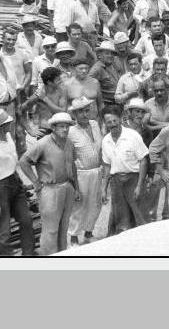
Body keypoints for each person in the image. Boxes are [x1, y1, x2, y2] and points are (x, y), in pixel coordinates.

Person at [18, 112, 80, 255]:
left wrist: (76, 188)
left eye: (67, 126)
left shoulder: (69, 143)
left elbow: (73, 166)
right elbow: (24, 161)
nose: (65, 129)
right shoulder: (43, 143)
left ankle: (62, 253)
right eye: (61, 127)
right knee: (51, 229)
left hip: (67, 186)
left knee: (64, 226)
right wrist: (35, 181)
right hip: (50, 189)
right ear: (53, 127)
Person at [0, 109, 35, 256]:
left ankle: (28, 255)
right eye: (7, 123)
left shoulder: (9, 137)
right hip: (0, 187)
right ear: (1, 126)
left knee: (26, 220)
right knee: (3, 230)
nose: (10, 124)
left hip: (14, 181)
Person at [100, 105, 150, 233]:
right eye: (108, 122)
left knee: (141, 216)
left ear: (121, 119)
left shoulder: (133, 136)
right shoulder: (106, 141)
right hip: (116, 182)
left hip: (133, 179)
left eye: (114, 120)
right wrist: (104, 188)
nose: (112, 124)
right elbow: (107, 166)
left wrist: (139, 185)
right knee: (122, 220)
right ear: (105, 123)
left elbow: (143, 160)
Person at [67, 97, 104, 246]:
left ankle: (89, 232)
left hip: (97, 170)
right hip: (81, 173)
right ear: (74, 114)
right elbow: (69, 159)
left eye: (86, 110)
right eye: (80, 112)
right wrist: (74, 184)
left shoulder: (95, 124)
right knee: (80, 206)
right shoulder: (71, 131)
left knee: (96, 203)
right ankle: (74, 236)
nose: (84, 114)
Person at [22, 66, 69, 134]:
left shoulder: (62, 90)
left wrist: (45, 99)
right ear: (49, 82)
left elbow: (63, 111)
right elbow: (21, 109)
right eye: (58, 79)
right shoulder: (38, 94)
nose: (61, 81)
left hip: (61, 127)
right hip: (45, 129)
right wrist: (29, 130)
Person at [0, 28, 33, 103]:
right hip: (4, 92)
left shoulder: (23, 54)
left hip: (20, 91)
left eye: (14, 40)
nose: (11, 42)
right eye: (8, 39)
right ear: (3, 39)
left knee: (21, 112)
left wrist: (23, 86)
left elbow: (29, 72)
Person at [88, 41, 121, 110]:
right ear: (100, 55)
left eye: (112, 54)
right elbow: (88, 84)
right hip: (107, 105)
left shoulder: (114, 64)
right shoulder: (97, 69)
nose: (110, 56)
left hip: (118, 102)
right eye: (107, 53)